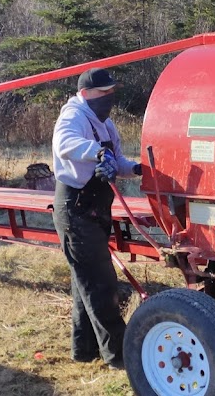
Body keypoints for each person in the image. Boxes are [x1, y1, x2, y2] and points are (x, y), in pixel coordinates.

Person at [51, 67, 141, 370]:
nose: (109, 98)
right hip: (75, 210)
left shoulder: (106, 123)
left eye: (112, 93)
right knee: (101, 285)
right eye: (104, 93)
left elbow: (119, 160)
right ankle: (120, 356)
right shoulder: (73, 115)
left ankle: (84, 350)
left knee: (85, 284)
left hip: (97, 208)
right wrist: (97, 153)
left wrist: (137, 169)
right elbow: (64, 144)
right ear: (86, 94)